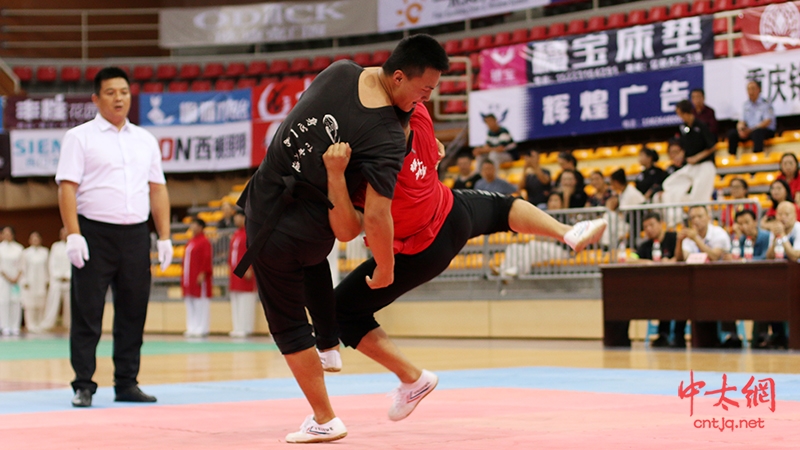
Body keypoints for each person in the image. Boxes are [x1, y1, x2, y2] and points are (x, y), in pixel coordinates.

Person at [320, 105, 606, 424]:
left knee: (342, 309)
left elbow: (353, 226)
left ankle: (412, 378)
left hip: (421, 250)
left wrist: (334, 175)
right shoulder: (418, 118)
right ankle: (567, 232)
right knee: (503, 209)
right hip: (453, 213)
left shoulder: (369, 169)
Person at [234, 34, 450, 443]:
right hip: (302, 226)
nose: (425, 99)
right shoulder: (388, 135)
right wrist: (385, 267)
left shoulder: (340, 71)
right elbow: (371, 217)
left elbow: (368, 219)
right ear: (399, 76)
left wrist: (385, 266)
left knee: (287, 325)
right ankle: (330, 346)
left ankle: (324, 417)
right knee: (311, 266)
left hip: (275, 217)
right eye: (424, 89)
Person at [56, 66, 173, 408]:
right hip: (94, 232)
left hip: (136, 234)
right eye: (110, 92)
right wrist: (74, 234)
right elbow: (67, 188)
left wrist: (164, 236)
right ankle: (83, 385)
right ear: (96, 98)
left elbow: (158, 189)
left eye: (123, 91)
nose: (119, 97)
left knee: (133, 311)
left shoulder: (146, 140)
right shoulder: (80, 137)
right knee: (87, 312)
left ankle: (126, 382)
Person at [630, 212, 680, 347]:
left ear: (661, 224)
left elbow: (682, 256)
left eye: (651, 225)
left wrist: (671, 261)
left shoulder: (674, 238)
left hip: (677, 285)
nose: (648, 229)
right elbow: (631, 259)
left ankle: (677, 336)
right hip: (655, 289)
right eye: (645, 227)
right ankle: (662, 335)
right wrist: (647, 262)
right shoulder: (645, 245)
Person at [662, 100, 716, 218]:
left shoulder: (701, 125)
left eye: (679, 113)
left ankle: (706, 221)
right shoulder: (684, 128)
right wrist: (681, 155)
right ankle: (675, 218)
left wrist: (697, 158)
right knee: (669, 184)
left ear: (685, 112)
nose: (679, 116)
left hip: (705, 165)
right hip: (691, 166)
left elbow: (712, 146)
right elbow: (685, 146)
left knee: (700, 198)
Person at [728, 80, 776, 156]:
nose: (751, 92)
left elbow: (767, 121)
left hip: (763, 130)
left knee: (757, 132)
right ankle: (731, 157)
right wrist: (740, 129)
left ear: (759, 90)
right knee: (732, 133)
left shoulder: (766, 103)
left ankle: (757, 156)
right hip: (750, 131)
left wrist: (751, 130)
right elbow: (741, 121)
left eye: (753, 89)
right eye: (749, 89)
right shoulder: (746, 105)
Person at [182, 217, 213, 338]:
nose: (192, 227)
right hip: (188, 276)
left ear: (200, 227)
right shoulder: (190, 241)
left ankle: (202, 327)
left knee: (201, 302)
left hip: (199, 277)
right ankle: (192, 326)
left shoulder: (204, 241)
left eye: (194, 225)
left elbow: (207, 258)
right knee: (190, 302)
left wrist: (203, 273)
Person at [228, 209, 256, 338]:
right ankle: (238, 326)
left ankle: (246, 327)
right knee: (236, 299)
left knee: (246, 300)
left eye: (238, 216)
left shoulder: (249, 233)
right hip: (235, 273)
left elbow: (252, 251)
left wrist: (249, 268)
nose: (236, 219)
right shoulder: (235, 234)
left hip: (245, 271)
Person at [40, 227, 71, 331]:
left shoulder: (73, 246)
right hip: (57, 280)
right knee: (52, 303)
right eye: (63, 233)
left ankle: (69, 324)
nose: (65, 235)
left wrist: (67, 275)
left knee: (69, 305)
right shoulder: (55, 246)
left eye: (66, 232)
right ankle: (47, 324)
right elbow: (51, 263)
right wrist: (58, 275)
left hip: (69, 281)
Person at [20, 232, 49, 333]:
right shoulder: (26, 253)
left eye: (37, 238)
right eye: (33, 239)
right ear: (30, 241)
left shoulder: (45, 252)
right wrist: (24, 280)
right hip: (29, 282)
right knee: (30, 304)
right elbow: (23, 268)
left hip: (41, 281)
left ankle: (40, 324)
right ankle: (30, 324)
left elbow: (47, 268)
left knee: (41, 303)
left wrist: (47, 280)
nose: (35, 241)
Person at [0, 226, 24, 336]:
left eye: (8, 233)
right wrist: (8, 277)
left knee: (15, 302)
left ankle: (15, 326)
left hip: (16, 281)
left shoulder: (19, 248)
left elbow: (22, 265)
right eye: (4, 233)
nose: (6, 235)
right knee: (4, 302)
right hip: (4, 280)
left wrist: (16, 277)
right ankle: (5, 326)